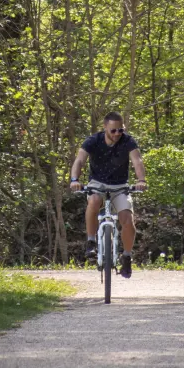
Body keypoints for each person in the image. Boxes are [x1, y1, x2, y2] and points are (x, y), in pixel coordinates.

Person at [69, 111, 146, 278]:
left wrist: (141, 180)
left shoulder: (128, 141)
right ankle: (91, 241)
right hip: (97, 183)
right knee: (94, 200)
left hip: (120, 185)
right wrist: (74, 179)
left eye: (121, 130)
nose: (118, 134)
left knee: (127, 218)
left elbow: (137, 161)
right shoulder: (93, 141)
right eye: (113, 131)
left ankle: (126, 256)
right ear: (105, 128)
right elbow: (80, 160)